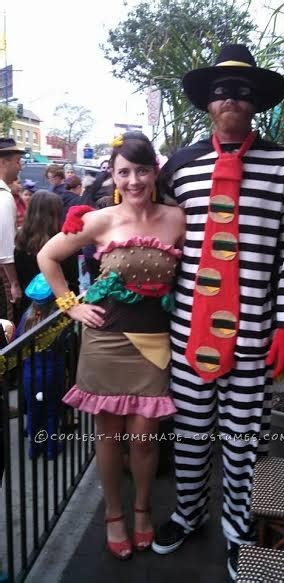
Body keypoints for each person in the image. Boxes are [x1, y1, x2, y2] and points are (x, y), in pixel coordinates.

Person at [150, 44, 284, 581]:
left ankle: (240, 531)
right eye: (221, 93)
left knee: (245, 440)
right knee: (192, 433)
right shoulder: (180, 166)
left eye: (241, 93)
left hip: (255, 331)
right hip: (190, 330)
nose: (231, 102)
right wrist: (96, 225)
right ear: (209, 105)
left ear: (255, 103)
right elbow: (152, 224)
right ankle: (189, 515)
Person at [37, 132, 185, 560]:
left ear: (154, 172)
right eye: (125, 172)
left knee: (143, 438)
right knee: (108, 435)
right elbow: (48, 256)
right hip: (104, 342)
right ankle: (114, 515)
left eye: (142, 170)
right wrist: (70, 306)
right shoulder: (101, 220)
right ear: (114, 177)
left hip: (156, 344)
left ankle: (142, 510)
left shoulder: (178, 219)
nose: (134, 180)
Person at [15, 274, 66, 459]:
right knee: (52, 411)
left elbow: (15, 343)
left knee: (34, 410)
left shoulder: (26, 318)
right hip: (53, 373)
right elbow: (66, 345)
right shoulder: (59, 320)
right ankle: (51, 448)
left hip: (30, 374)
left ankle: (34, 449)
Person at [15, 190, 79, 314]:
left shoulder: (20, 239)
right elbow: (73, 280)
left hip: (29, 306)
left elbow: (21, 277)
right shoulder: (63, 243)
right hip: (60, 308)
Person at [0, 138, 24, 321]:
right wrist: (14, 284)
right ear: (3, 162)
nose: (20, 167)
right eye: (17, 162)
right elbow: (6, 252)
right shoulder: (4, 197)